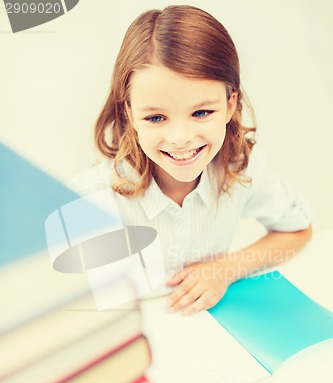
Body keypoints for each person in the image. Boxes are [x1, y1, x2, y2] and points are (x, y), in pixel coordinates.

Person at [69, 5, 312, 315]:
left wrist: (225, 269)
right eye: (156, 117)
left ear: (229, 103)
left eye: (201, 112)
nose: (180, 137)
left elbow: (298, 230)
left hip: (216, 332)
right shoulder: (90, 197)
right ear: (130, 113)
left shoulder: (239, 169)